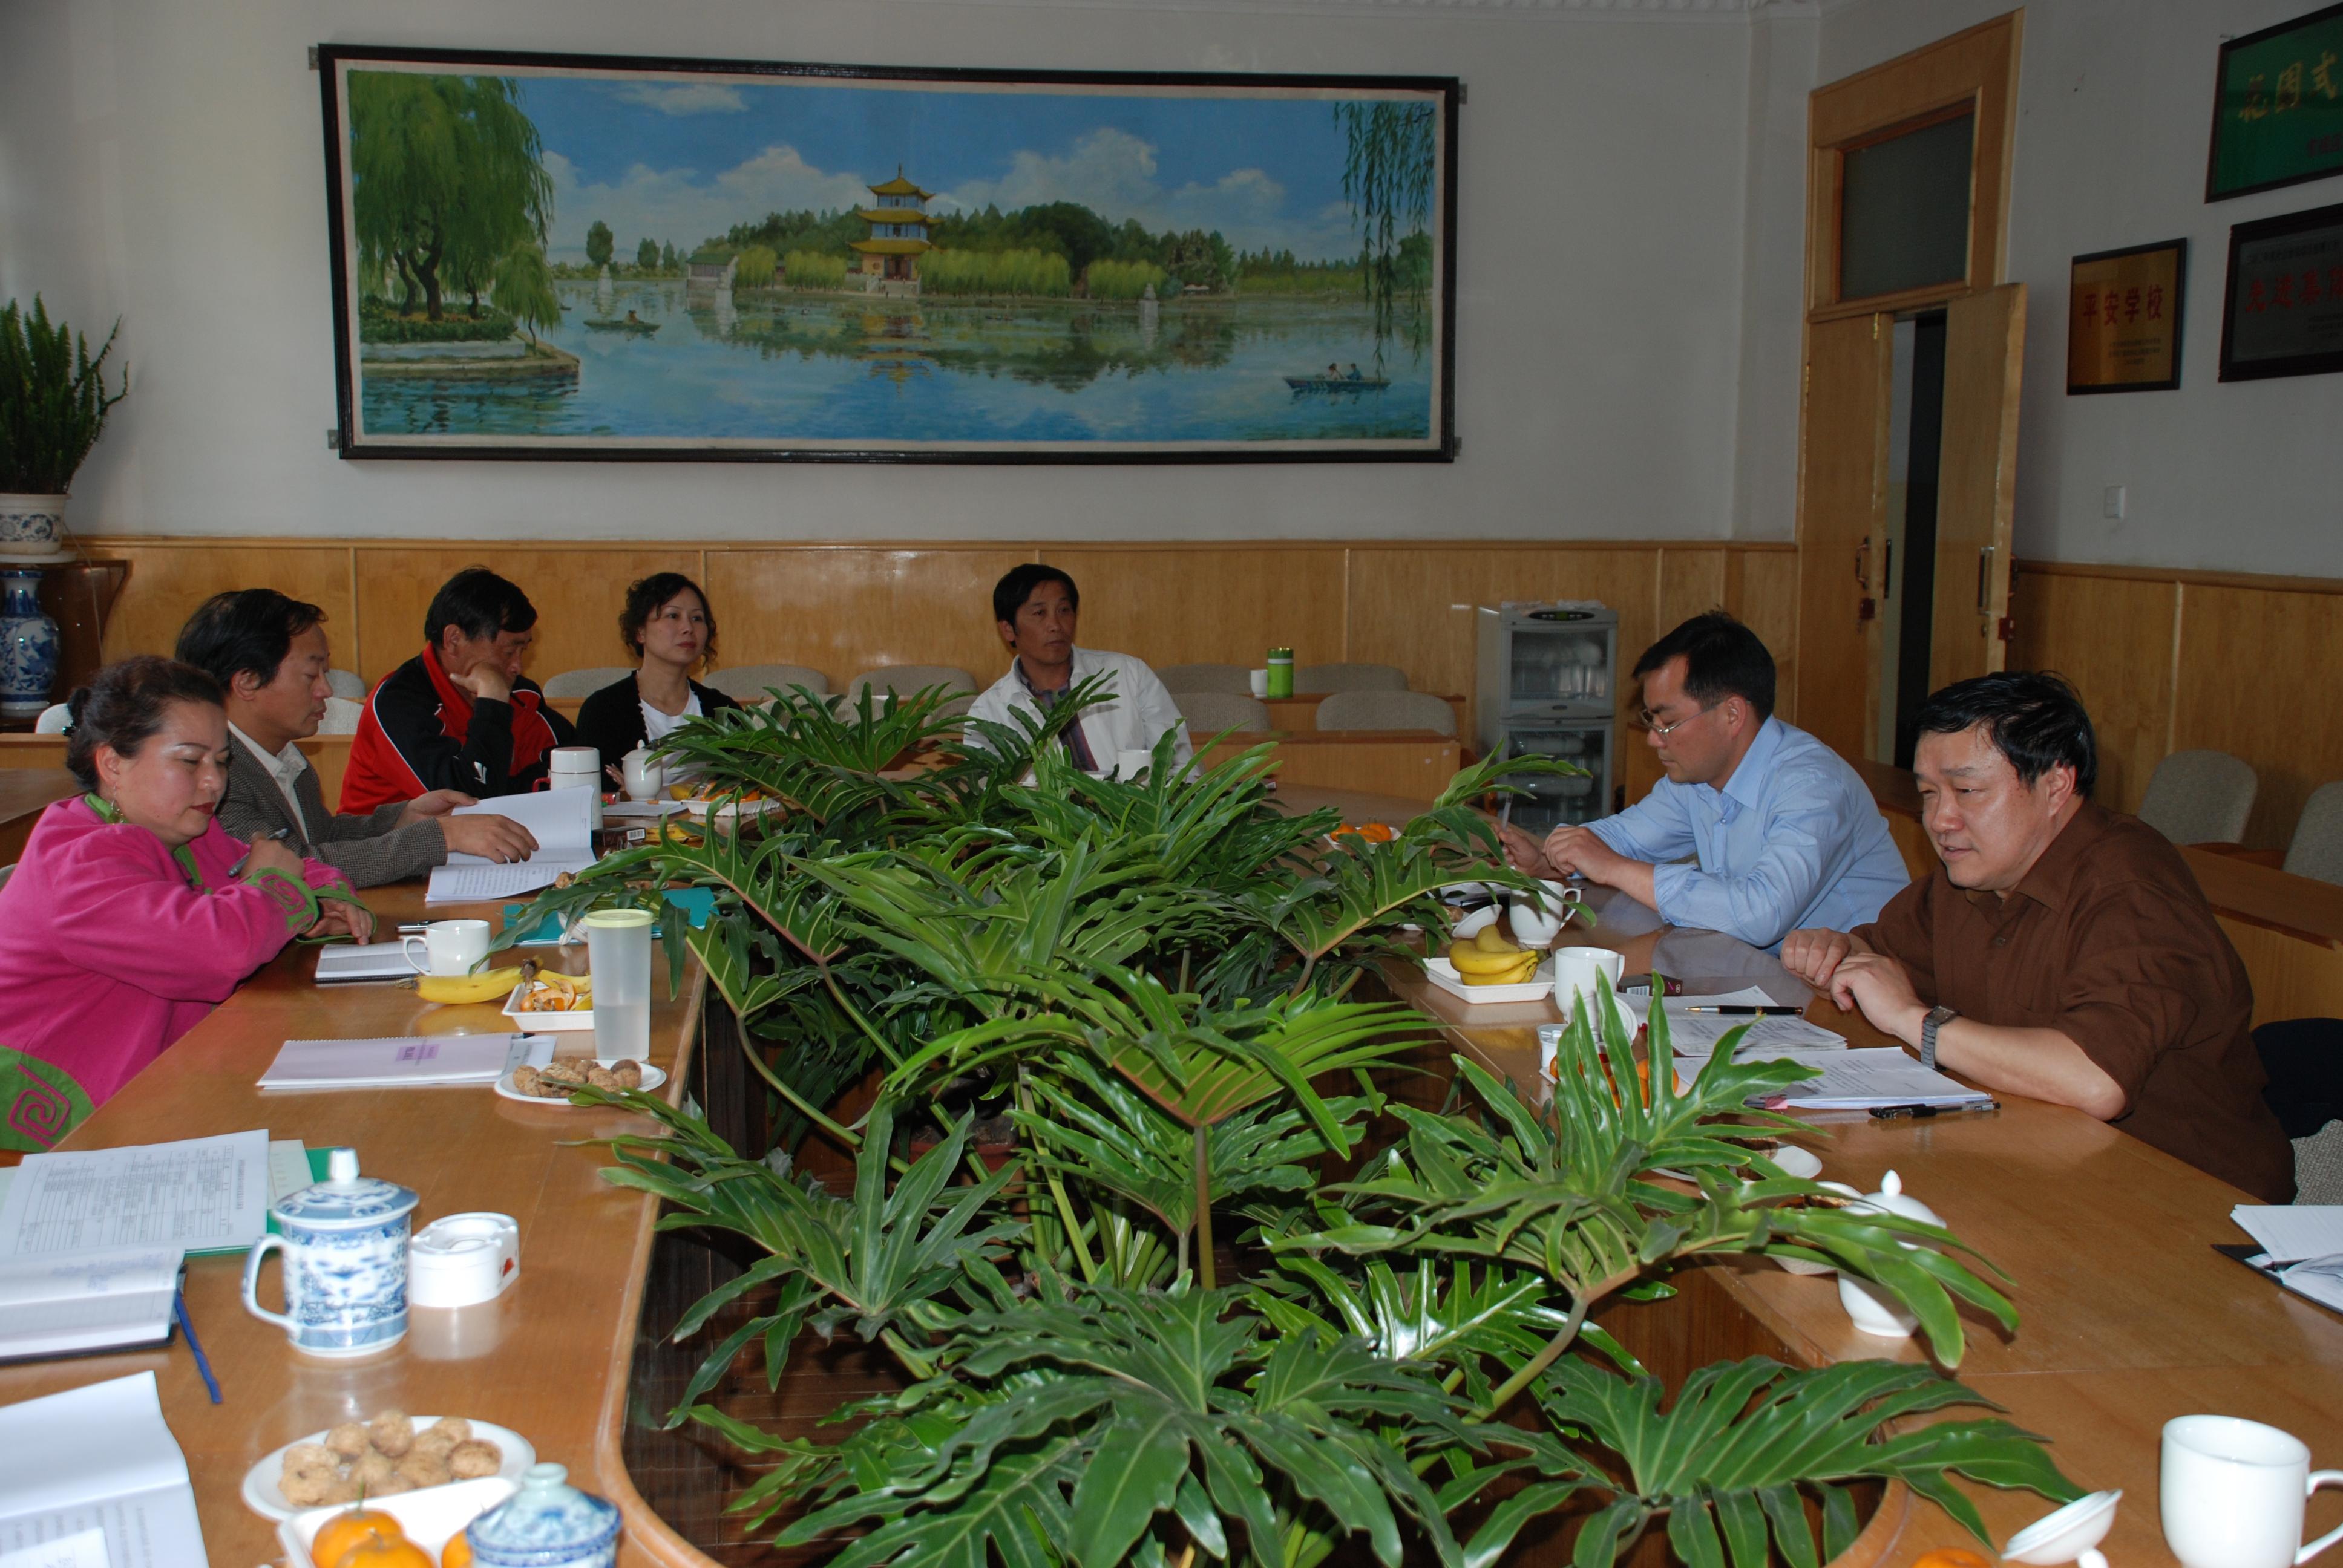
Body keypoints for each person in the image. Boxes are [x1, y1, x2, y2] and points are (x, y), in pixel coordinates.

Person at [1780, 672, 2292, 1202]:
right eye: (1929, 794)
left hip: (2190, 1199)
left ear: (2055, 786)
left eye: (1967, 791)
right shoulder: (1972, 874)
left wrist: (1916, 1021)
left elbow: (2095, 1080)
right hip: (2041, 1162)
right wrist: (1837, 956)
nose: (1940, 820)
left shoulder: (2132, 889)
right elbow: (1884, 958)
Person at [0, 658, 370, 1149]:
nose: (214, 782)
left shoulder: (187, 832)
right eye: (190, 762)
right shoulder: (79, 862)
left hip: (163, 1078)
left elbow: (294, 867)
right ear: (112, 764)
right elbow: (218, 951)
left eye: (222, 761)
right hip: (64, 1125)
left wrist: (322, 903)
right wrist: (273, 887)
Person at [1498, 612, 1907, 950]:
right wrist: (1551, 859)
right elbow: (1625, 838)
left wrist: (1615, 869)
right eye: (1652, 720)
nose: (1654, 739)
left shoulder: (1813, 787)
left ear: (1732, 714)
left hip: (1852, 991)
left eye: (1669, 722)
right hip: (1760, 972)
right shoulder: (1697, 777)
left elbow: (1761, 914)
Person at [175, 590, 539, 887]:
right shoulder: (215, 779)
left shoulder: (286, 759)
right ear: (248, 682)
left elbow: (321, 836)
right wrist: (441, 836)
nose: (326, 690)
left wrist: (404, 818)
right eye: (311, 675)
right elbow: (294, 868)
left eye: (326, 673)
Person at [341, 567, 576, 814]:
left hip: (488, 833)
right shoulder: (397, 704)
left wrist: (507, 789)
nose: (517, 666)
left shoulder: (520, 694)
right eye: (509, 652)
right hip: (389, 838)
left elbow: (572, 767)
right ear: (454, 639)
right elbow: (465, 802)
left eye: (523, 651)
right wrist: (493, 701)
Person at [964, 564, 1193, 771]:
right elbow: (985, 793)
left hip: (1131, 805)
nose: (1055, 625)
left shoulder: (1128, 674)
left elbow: (1180, 764)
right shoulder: (988, 711)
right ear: (1008, 629)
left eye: (1064, 610)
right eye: (1039, 613)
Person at [572, 572, 740, 782]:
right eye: (673, 616)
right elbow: (599, 791)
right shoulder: (604, 710)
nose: (688, 628)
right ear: (640, 631)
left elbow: (743, 788)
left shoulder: (725, 712)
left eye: (697, 618)